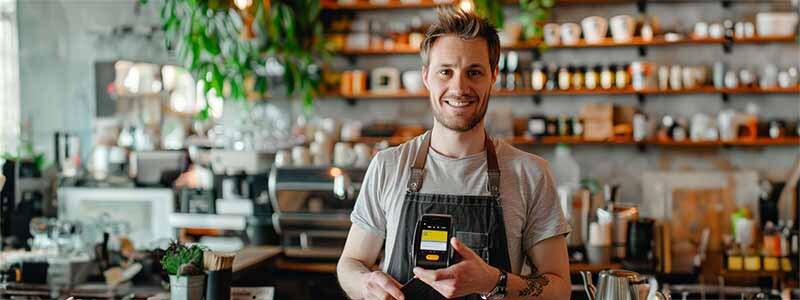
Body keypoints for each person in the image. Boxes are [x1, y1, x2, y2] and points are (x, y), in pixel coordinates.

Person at [337, 8, 571, 300]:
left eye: (474, 72)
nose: (459, 87)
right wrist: (365, 284)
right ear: (426, 77)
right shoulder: (389, 166)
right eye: (445, 71)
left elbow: (560, 289)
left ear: (493, 76)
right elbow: (350, 264)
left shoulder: (531, 173)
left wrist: (493, 281)